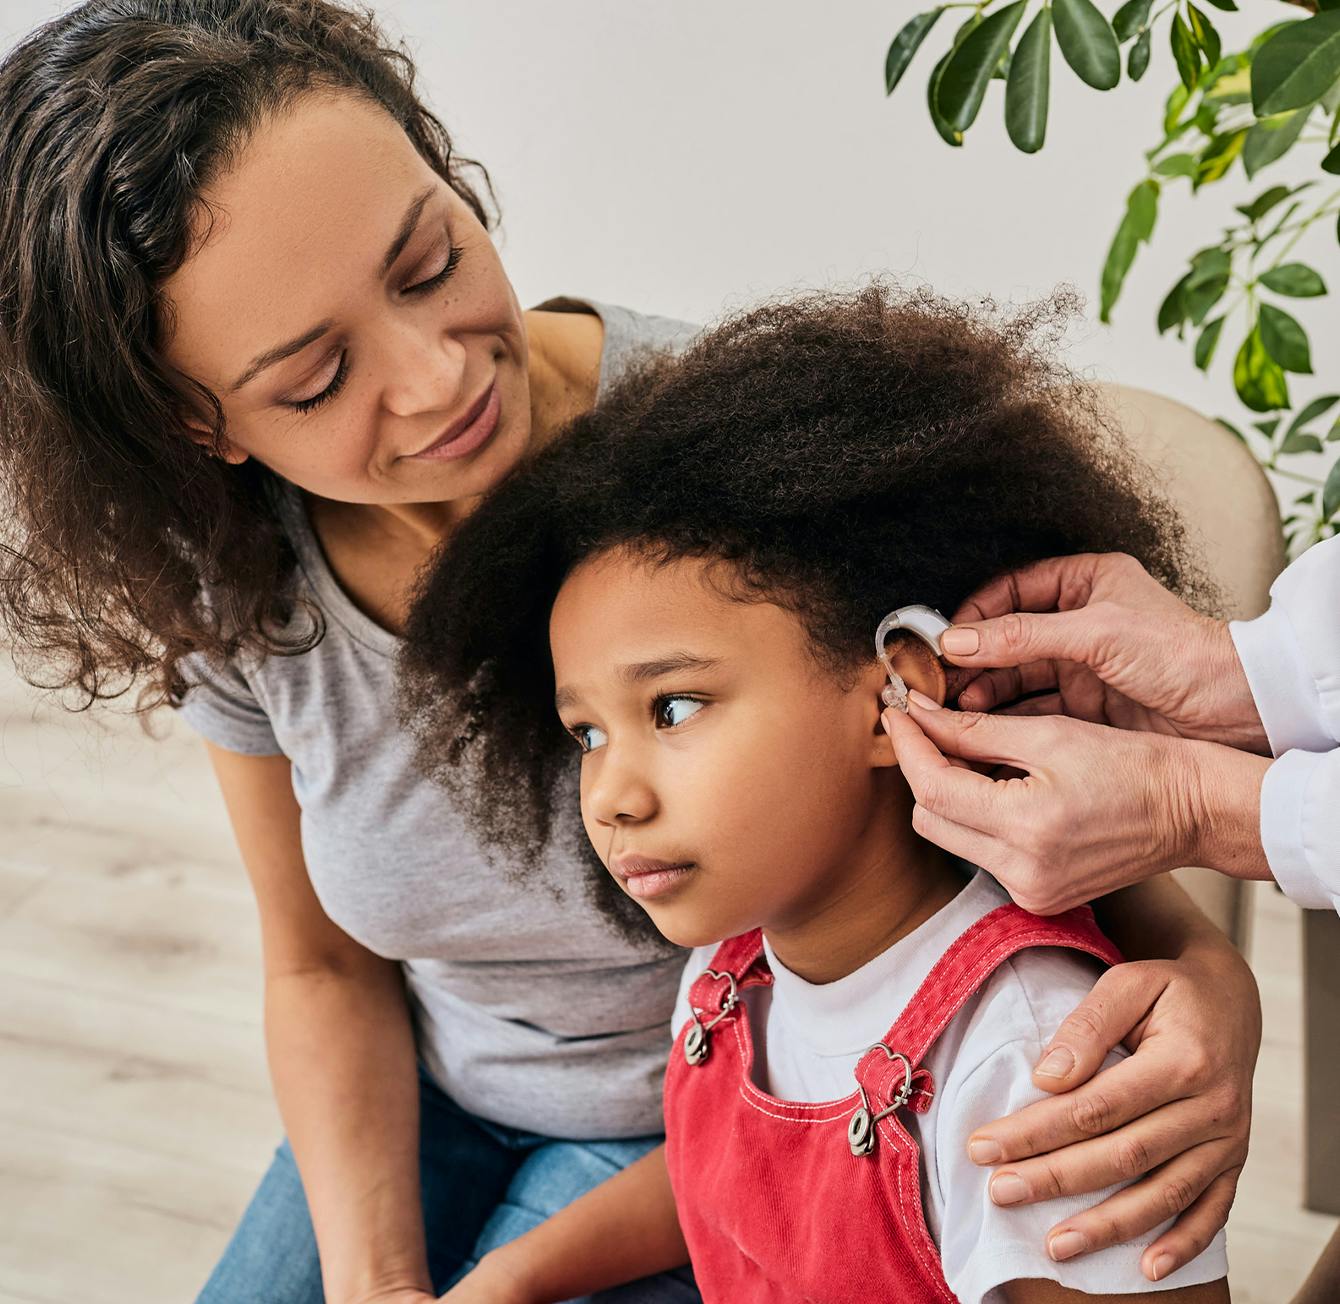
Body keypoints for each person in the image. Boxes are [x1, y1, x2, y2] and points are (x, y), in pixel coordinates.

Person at [0, 0, 1256, 1295]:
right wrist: (374, 1279)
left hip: (722, 1107)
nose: (437, 379)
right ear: (196, 429)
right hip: (436, 1091)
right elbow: (319, 963)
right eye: (315, 381)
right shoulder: (236, 573)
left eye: (429, 261)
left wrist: (1205, 976)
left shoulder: (733, 472)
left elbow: (1032, 799)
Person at [396, 284, 1232, 1301]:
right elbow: (741, 1181)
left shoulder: (1025, 1058)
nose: (609, 793)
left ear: (892, 694)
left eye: (671, 708)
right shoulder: (738, 962)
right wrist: (517, 1275)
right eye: (586, 732)